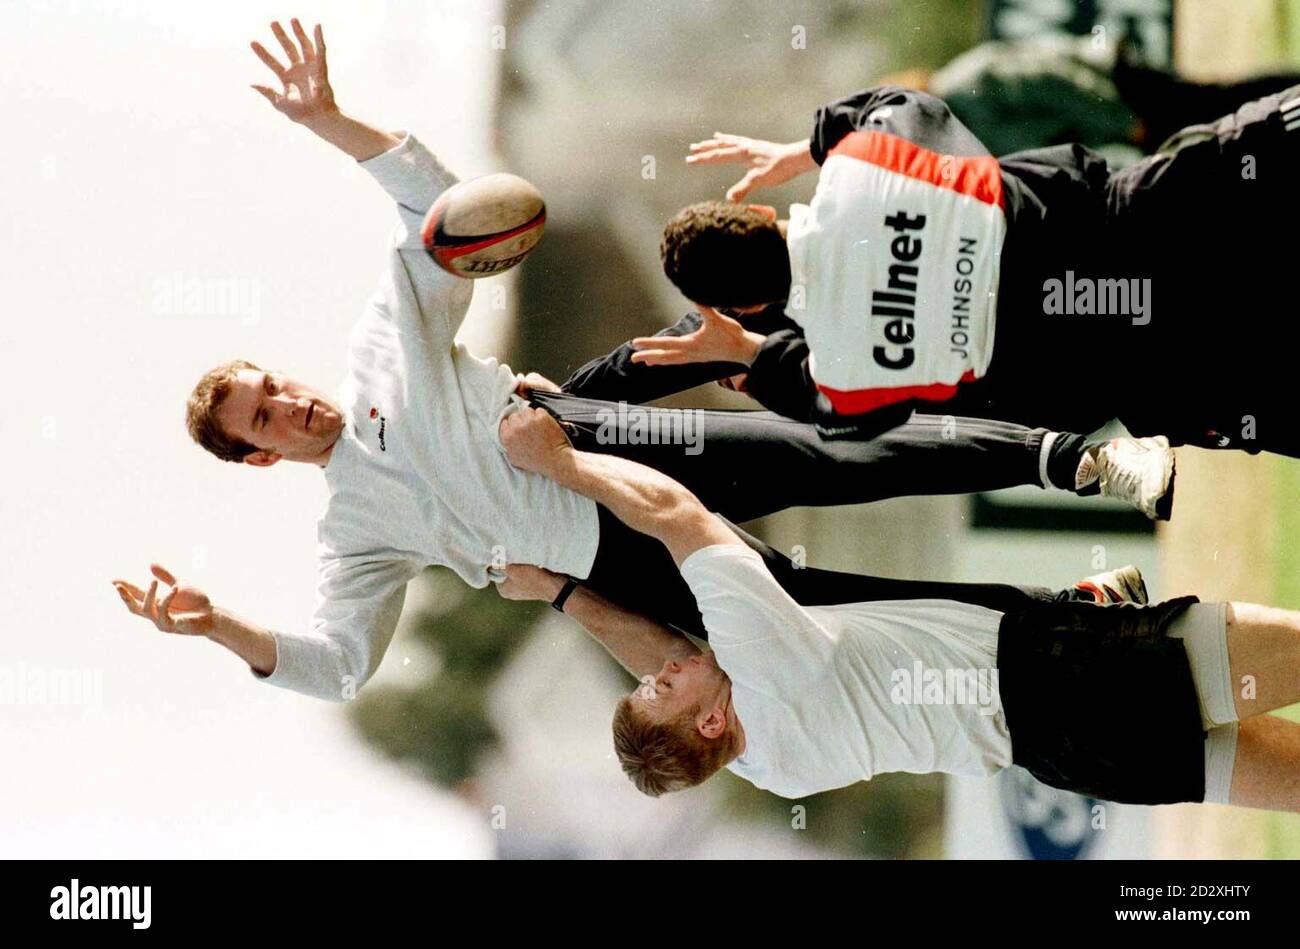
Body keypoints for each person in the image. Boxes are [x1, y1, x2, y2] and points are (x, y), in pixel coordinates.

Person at [111, 20, 1169, 703]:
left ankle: (1079, 461)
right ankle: (1075, 615)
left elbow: (428, 201)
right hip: (607, 561)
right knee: (830, 622)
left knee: (840, 453)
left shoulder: (378, 348)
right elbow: (339, 668)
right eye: (262, 419)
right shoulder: (354, 532)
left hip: (601, 437)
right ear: (257, 460)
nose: (286, 403)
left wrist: (330, 119)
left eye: (270, 385)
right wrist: (219, 629)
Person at [496, 404, 1300, 813]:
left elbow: (664, 661)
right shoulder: (765, 661)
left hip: (1061, 755)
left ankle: (1088, 602)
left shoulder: (767, 764)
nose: (666, 664)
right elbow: (676, 514)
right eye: (664, 684)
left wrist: (564, 593)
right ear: (709, 723)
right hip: (1064, 673)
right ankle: (1086, 600)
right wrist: (563, 463)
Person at [647, 81, 1300, 456]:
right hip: (1159, 216)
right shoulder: (862, 163)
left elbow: (833, 418)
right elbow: (912, 104)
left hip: (1170, 374)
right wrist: (810, 145)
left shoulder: (844, 373)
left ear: (751, 307)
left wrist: (747, 353)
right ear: (760, 212)